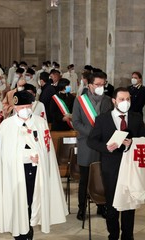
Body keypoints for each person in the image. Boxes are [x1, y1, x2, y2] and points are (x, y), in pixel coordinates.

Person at [0, 90, 68, 240]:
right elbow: (3, 154)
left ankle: (29, 227)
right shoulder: (7, 126)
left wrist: (39, 156)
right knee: (17, 201)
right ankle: (20, 231)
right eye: (21, 107)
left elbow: (47, 149)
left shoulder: (40, 123)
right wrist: (25, 156)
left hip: (36, 171)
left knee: (32, 200)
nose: (25, 110)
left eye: (28, 106)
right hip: (15, 172)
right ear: (15, 108)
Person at [87, 87, 145, 240]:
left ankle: (128, 236)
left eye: (128, 99)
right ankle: (113, 235)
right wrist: (105, 147)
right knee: (112, 205)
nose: (125, 102)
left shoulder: (137, 117)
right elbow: (91, 141)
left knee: (129, 204)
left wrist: (133, 142)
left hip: (131, 167)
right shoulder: (103, 119)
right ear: (114, 101)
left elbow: (143, 139)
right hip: (111, 167)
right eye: (121, 99)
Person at [72, 71, 113, 220]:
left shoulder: (108, 101)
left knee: (102, 177)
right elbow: (75, 122)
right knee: (85, 179)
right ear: (89, 85)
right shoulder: (80, 101)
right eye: (97, 84)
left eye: (103, 84)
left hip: (103, 145)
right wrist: (94, 132)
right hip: (86, 144)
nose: (101, 87)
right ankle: (82, 208)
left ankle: (102, 206)